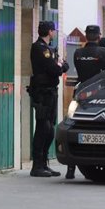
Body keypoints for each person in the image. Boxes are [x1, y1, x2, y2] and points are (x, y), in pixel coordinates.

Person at [66, 25, 105, 179]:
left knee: (75, 126)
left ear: (86, 36)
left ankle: (70, 169)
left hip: (80, 94)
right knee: (102, 130)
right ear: (99, 36)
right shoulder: (104, 54)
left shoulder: (78, 53)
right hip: (98, 95)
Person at [28, 21, 69, 177]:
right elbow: (54, 68)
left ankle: (44, 164)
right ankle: (37, 165)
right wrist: (61, 67)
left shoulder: (49, 48)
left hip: (51, 91)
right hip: (42, 93)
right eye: (54, 30)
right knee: (42, 128)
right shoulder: (39, 48)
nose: (55, 33)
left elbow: (59, 66)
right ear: (50, 32)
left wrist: (60, 66)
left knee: (50, 128)